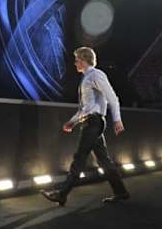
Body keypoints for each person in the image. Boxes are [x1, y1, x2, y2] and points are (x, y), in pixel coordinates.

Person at [41, 47, 129, 206]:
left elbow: (112, 98)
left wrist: (117, 119)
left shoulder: (96, 75)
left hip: (93, 123)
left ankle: (62, 194)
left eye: (77, 60)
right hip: (91, 121)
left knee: (79, 158)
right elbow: (85, 108)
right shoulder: (86, 78)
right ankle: (121, 192)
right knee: (104, 160)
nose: (75, 63)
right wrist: (72, 122)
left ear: (83, 59)